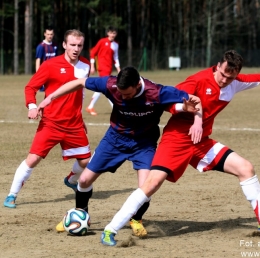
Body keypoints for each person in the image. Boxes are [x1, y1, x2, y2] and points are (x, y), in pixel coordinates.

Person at [100, 50, 260, 246]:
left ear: (236, 74)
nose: (225, 80)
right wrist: (190, 114)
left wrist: (199, 125)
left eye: (230, 77)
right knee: (152, 184)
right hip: (176, 139)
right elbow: (169, 102)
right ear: (218, 66)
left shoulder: (236, 82)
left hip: (201, 141)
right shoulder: (198, 80)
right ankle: (110, 230)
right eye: (222, 74)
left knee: (246, 168)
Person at [37, 66, 202, 236]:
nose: (123, 98)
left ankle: (136, 219)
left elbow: (195, 100)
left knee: (146, 187)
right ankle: (80, 214)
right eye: (121, 94)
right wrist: (50, 97)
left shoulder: (157, 92)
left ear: (138, 85)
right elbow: (79, 82)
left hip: (144, 143)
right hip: (115, 139)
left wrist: (197, 121)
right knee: (85, 180)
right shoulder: (111, 84)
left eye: (128, 95)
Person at [3, 29, 91, 209]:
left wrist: (81, 119)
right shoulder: (50, 65)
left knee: (85, 162)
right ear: (64, 45)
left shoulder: (85, 65)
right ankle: (11, 195)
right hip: (51, 122)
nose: (76, 49)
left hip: (74, 124)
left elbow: (80, 95)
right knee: (33, 159)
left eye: (79, 45)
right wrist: (32, 106)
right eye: (72, 45)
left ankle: (71, 179)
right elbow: (30, 87)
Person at [86, 26, 121, 116]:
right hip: (102, 68)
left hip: (109, 68)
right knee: (105, 87)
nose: (112, 35)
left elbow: (115, 58)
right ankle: (91, 106)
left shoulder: (116, 45)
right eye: (111, 32)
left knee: (105, 88)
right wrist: (92, 66)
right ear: (108, 33)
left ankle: (114, 108)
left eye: (114, 33)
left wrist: (118, 69)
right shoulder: (102, 41)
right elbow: (93, 53)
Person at [35, 25, 58, 92]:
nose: (49, 36)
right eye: (48, 34)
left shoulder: (55, 46)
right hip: (45, 74)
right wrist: (38, 75)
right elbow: (38, 61)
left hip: (54, 73)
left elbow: (57, 59)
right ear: (44, 34)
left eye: (51, 34)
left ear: (53, 34)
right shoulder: (41, 46)